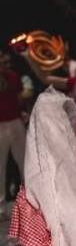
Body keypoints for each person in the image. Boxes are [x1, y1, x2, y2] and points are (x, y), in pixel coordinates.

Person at [0, 51, 26, 207]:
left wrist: (21, 112)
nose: (3, 63)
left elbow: (19, 98)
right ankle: (1, 205)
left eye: (4, 60)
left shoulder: (13, 76)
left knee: (24, 162)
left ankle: (30, 199)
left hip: (15, 122)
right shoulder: (12, 76)